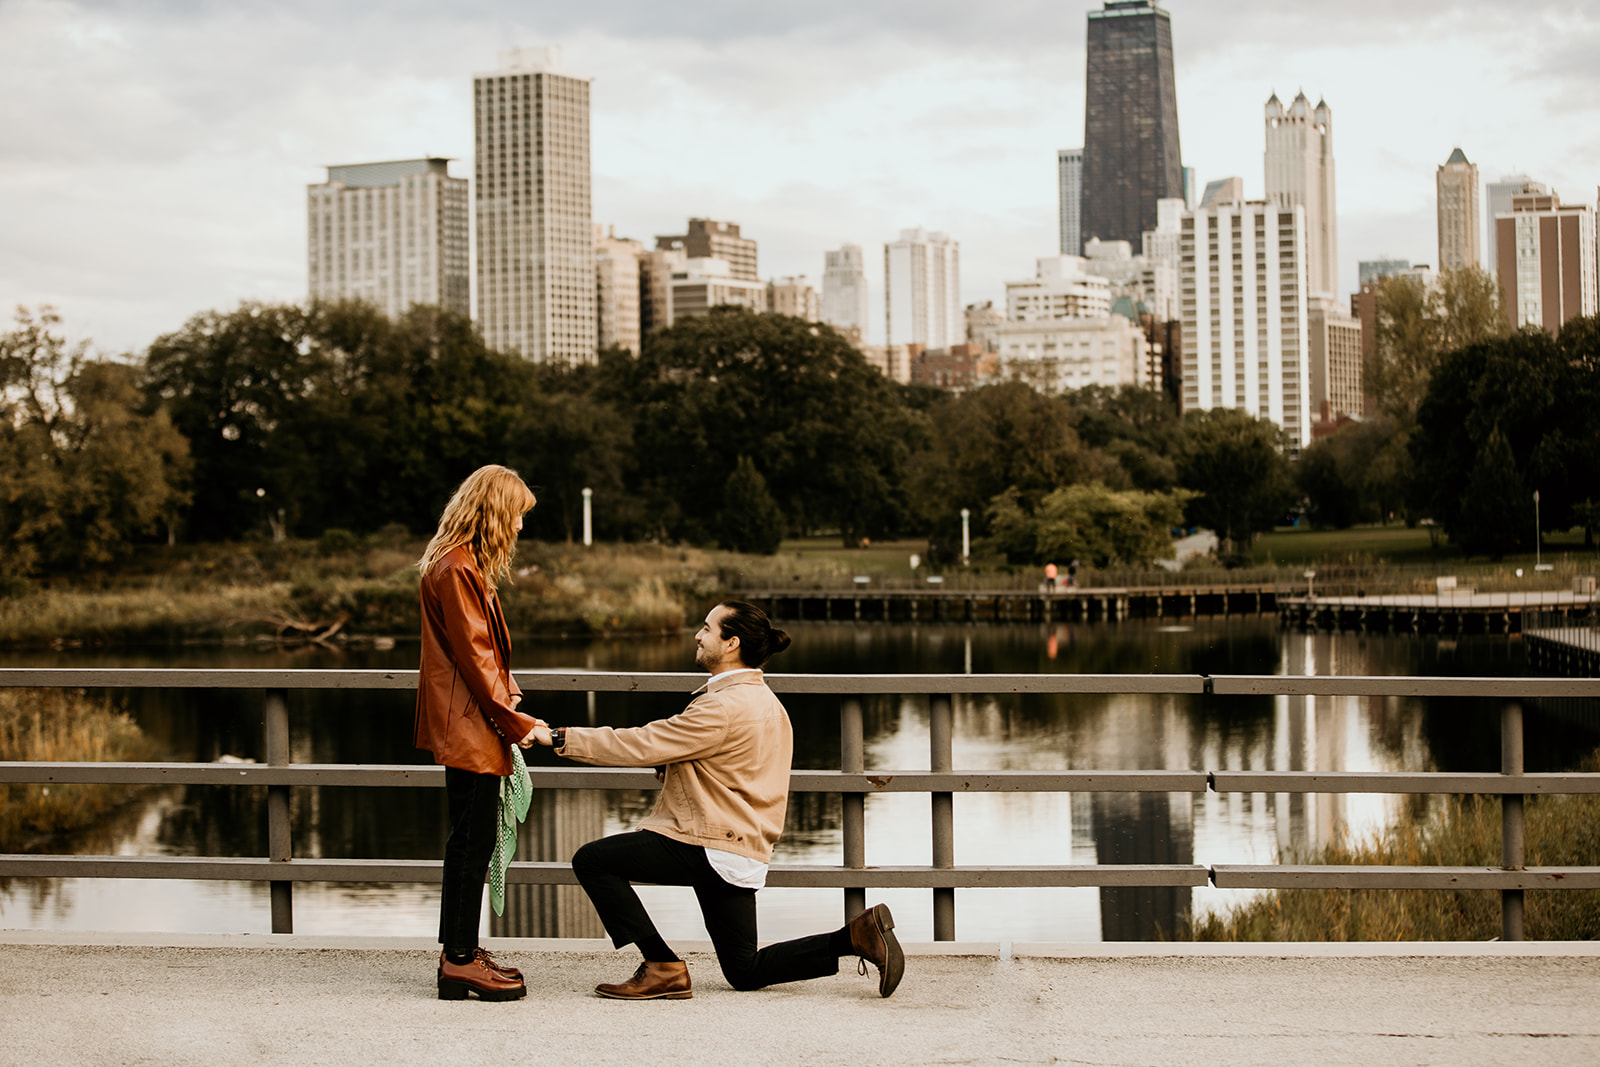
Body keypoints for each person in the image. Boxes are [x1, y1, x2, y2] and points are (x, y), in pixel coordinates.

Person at [529, 600, 904, 1001]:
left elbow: (642, 742)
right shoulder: (767, 702)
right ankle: (856, 936)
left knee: (593, 860)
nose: (698, 635)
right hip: (740, 847)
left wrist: (559, 737)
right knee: (744, 970)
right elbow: (734, 767)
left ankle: (661, 965)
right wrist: (677, 766)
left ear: (731, 643)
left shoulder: (721, 705)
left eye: (707, 628)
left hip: (709, 843)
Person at [414, 464, 540, 1002]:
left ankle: (460, 952)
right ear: (492, 511)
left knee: (472, 840)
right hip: (469, 723)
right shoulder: (457, 568)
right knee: (470, 843)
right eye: (516, 514)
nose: (519, 526)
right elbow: (475, 657)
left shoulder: (458, 563)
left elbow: (482, 656)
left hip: (471, 720)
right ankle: (459, 961)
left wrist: (508, 701)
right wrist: (518, 723)